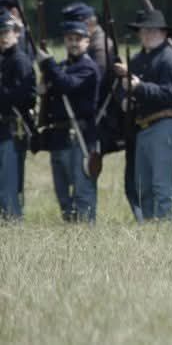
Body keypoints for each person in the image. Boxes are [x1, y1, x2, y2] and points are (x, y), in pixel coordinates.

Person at [114, 10, 172, 222]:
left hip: (165, 123)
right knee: (142, 185)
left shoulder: (170, 60)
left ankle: (165, 228)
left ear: (163, 33)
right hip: (143, 127)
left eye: (152, 31)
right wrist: (124, 97)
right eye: (143, 31)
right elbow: (124, 88)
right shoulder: (139, 60)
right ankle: (148, 226)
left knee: (162, 184)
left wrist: (140, 87)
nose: (147, 35)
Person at [35, 19, 101, 222]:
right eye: (70, 39)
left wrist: (48, 64)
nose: (73, 43)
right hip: (60, 136)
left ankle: (86, 236)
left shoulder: (89, 68)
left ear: (87, 42)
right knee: (63, 193)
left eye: (78, 39)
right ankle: (71, 233)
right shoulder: (61, 67)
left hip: (79, 137)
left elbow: (67, 85)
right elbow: (54, 91)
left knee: (82, 191)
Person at [0, 9, 36, 220]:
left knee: (9, 187)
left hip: (13, 129)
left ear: (16, 33)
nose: (4, 37)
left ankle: (13, 224)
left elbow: (26, 97)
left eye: (7, 32)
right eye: (0, 33)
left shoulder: (20, 61)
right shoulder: (4, 60)